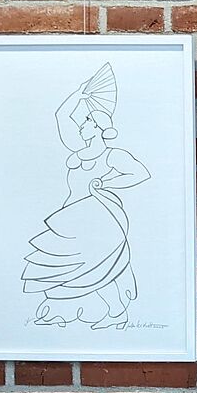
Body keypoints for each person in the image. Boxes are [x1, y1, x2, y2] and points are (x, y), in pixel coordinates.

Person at [21, 62, 150, 329]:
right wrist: (79, 94)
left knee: (97, 268)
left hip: (98, 220)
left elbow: (140, 173)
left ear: (100, 127)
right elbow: (61, 115)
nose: (82, 124)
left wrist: (107, 182)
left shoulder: (112, 155)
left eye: (89, 121)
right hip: (70, 218)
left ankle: (116, 312)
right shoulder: (77, 149)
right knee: (61, 265)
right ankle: (60, 312)